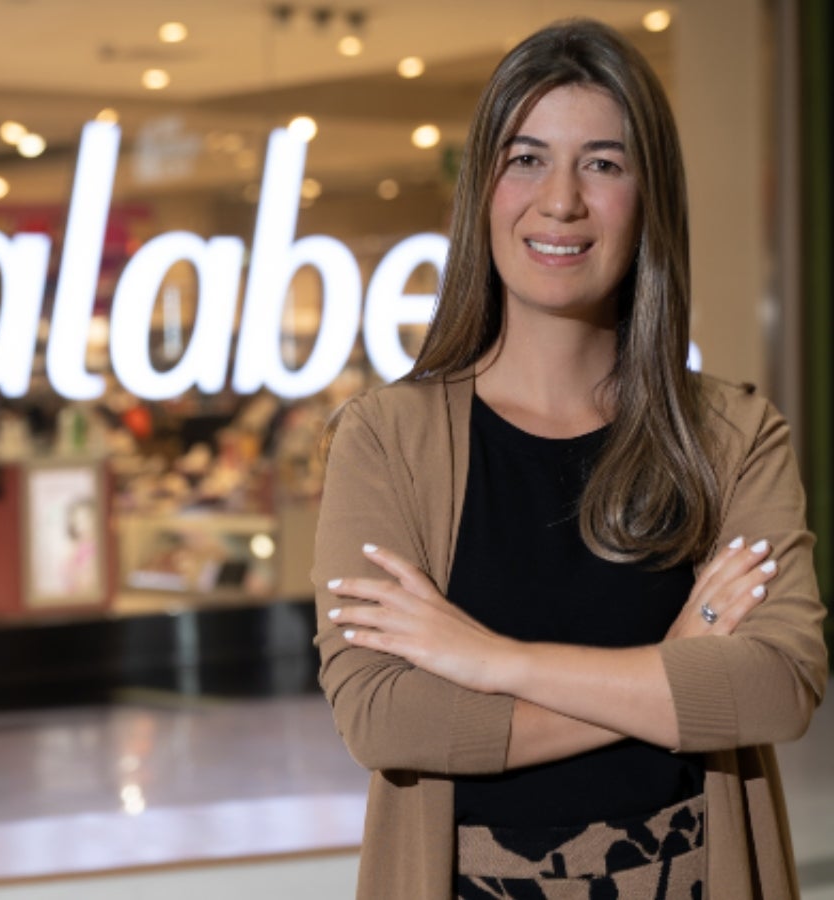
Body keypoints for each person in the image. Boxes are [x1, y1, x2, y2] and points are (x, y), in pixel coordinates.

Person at [313, 18, 827, 900]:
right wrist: (673, 665)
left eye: (603, 164)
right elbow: (384, 717)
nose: (561, 201)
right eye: (526, 159)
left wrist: (494, 661)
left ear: (650, 194)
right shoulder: (386, 439)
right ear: (482, 189)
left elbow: (776, 687)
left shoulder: (733, 435)